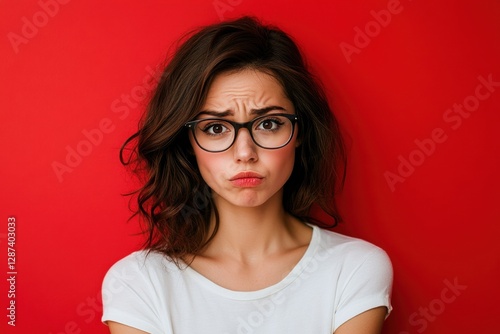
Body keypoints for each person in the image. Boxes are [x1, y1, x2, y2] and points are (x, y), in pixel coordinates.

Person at [101, 16, 393, 334]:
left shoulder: (353, 268)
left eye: (268, 124)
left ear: (299, 133)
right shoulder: (138, 282)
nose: (244, 152)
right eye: (215, 128)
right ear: (188, 144)